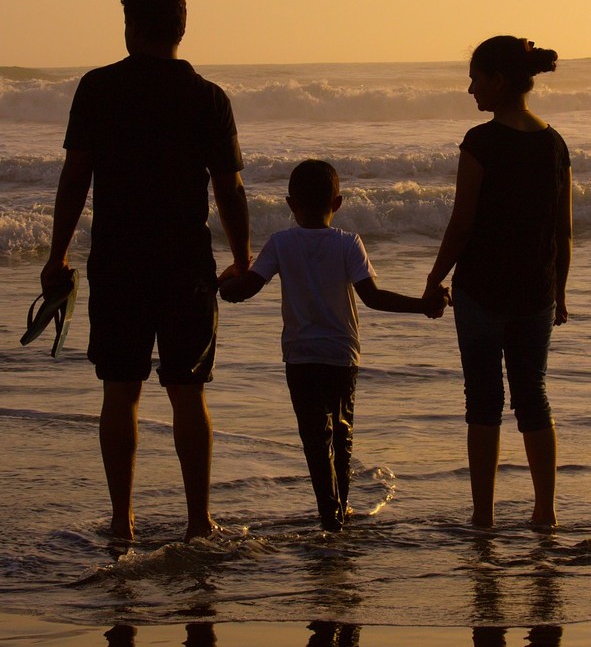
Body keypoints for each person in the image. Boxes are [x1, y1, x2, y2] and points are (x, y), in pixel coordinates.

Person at [40, 0, 251, 542]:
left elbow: (75, 177)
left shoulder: (98, 88)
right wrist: (243, 258)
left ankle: (122, 519)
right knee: (188, 391)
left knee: (120, 389)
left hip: (118, 259)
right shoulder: (207, 96)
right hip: (185, 262)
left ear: (130, 26)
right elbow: (229, 189)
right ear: (182, 28)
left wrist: (57, 255)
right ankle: (198, 520)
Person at [220, 159, 449, 531]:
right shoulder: (348, 243)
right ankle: (340, 509)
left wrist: (221, 281)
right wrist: (422, 306)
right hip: (343, 355)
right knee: (342, 434)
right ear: (338, 203)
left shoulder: (281, 242)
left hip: (301, 355)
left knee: (315, 438)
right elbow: (373, 298)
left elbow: (242, 292)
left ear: (290, 204)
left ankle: (329, 515)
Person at [423, 36, 572, 528]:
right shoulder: (554, 143)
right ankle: (545, 512)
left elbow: (461, 224)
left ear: (498, 81)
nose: (470, 89)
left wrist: (434, 277)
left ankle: (483, 516)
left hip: (482, 292)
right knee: (534, 396)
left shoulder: (481, 141)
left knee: (483, 401)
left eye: (475, 79)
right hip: (536, 293)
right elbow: (562, 229)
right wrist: (562, 290)